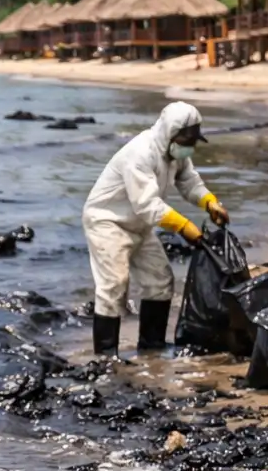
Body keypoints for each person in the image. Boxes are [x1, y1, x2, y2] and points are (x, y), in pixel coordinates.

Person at [81, 101, 229, 355]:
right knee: (114, 284)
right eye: (186, 140)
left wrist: (209, 202)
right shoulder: (140, 154)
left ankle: (152, 345)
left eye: (193, 141)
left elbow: (189, 181)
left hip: (139, 225)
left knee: (160, 279)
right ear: (170, 133)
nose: (190, 147)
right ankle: (105, 355)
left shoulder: (175, 154)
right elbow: (147, 204)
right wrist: (184, 227)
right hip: (107, 222)